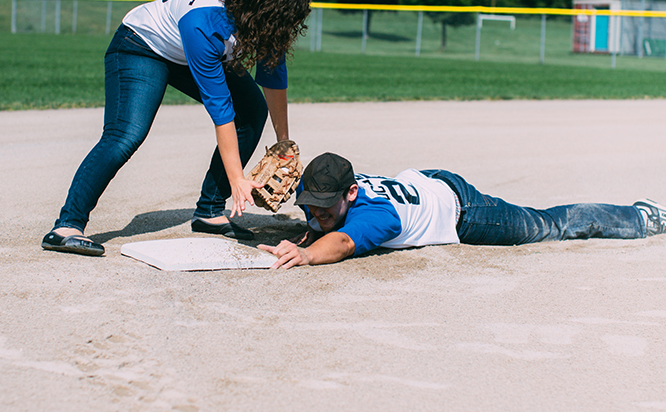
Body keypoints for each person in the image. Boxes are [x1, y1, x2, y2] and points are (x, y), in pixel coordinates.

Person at [44, 0, 311, 256]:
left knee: (252, 111)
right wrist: (237, 178)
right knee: (125, 135)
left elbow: (273, 77)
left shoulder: (261, 12)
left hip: (190, 49)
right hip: (142, 46)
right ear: (263, 9)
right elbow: (221, 111)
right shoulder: (206, 22)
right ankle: (66, 225)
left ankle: (209, 212)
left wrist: (283, 143)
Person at [260, 151, 666, 268]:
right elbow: (327, 221)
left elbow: (346, 241)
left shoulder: (376, 216)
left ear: (351, 193)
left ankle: (641, 216)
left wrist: (309, 253)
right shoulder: (335, 192)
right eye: (309, 205)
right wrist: (313, 226)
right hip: (425, 179)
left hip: (465, 210)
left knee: (549, 224)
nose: (315, 214)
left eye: (324, 207)